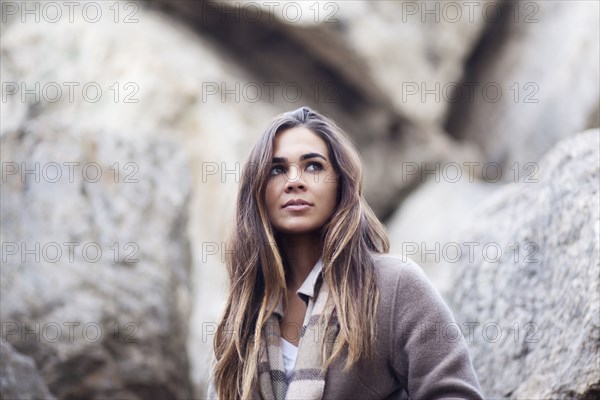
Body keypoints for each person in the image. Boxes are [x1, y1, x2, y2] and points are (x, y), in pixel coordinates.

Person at [207, 106, 484, 399]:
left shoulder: (392, 286)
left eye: (313, 166)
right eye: (277, 169)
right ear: (258, 191)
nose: (294, 180)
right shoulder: (240, 318)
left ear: (341, 183)